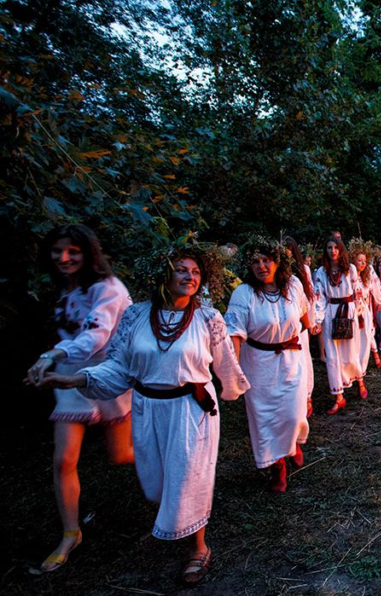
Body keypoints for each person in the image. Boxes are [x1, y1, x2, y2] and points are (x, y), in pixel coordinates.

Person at [35, 246, 248, 585]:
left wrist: (234, 387)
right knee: (157, 481)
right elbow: (117, 368)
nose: (189, 277)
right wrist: (75, 378)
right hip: (147, 407)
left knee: (189, 476)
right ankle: (173, 520)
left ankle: (199, 547)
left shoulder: (209, 318)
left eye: (195, 272)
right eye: (181, 270)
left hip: (191, 411)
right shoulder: (136, 316)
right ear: (164, 273)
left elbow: (225, 364)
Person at [25, 225, 134, 574]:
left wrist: (50, 357)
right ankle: (71, 533)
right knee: (63, 460)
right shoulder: (64, 291)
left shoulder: (109, 289)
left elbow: (95, 335)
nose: (64, 257)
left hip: (109, 378)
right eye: (58, 250)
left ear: (89, 253)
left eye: (73, 250)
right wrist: (49, 364)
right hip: (69, 382)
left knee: (121, 455)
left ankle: (173, 467)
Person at [226, 239, 313, 493]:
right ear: (248, 265)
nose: (262, 266)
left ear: (277, 262)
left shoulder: (294, 286)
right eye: (256, 261)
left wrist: (290, 338)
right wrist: (234, 371)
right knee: (265, 419)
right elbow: (234, 332)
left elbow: (306, 319)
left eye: (266, 260)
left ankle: (293, 444)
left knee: (294, 413)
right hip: (258, 364)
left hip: (291, 361)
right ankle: (277, 466)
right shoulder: (243, 293)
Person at [312, 238, 360, 414]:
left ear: (341, 250)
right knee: (332, 357)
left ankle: (359, 379)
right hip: (330, 313)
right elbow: (320, 297)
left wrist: (358, 314)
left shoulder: (351, 270)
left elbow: (357, 292)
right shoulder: (321, 272)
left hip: (347, 310)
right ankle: (339, 397)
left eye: (336, 248)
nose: (333, 251)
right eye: (329, 248)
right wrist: (318, 320)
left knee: (349, 352)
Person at [283, 236, 317, 417]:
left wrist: (311, 322)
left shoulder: (302, 270)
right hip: (284, 324)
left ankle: (307, 396)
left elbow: (310, 296)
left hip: (300, 322)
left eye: (288, 250)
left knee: (303, 358)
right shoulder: (276, 271)